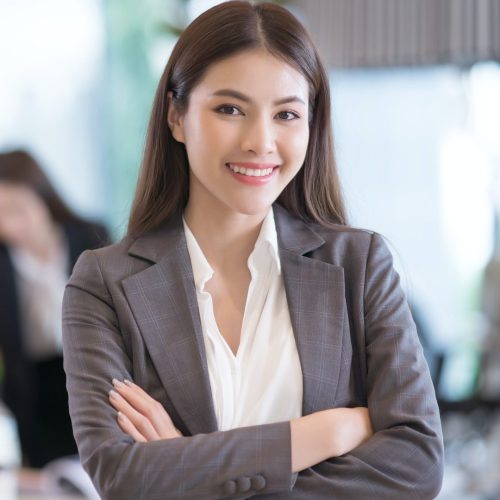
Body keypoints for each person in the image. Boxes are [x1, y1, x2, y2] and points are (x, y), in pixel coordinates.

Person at [62, 2, 444, 498]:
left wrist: (188, 463)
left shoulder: (359, 266)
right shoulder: (104, 285)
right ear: (177, 116)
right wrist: (318, 435)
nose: (261, 141)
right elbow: (122, 476)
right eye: (229, 109)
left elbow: (417, 465)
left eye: (286, 114)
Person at [0, 149, 109, 467]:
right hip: (34, 391)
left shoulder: (90, 236)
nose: (9, 225)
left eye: (16, 209)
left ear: (43, 197)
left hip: (92, 376)